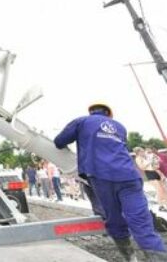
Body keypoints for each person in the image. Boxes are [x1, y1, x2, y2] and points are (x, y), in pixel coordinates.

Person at [54, 102, 167, 261]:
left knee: (114, 220)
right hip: (130, 177)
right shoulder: (120, 127)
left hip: (102, 177)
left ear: (91, 112)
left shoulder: (81, 122)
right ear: (109, 114)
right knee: (141, 223)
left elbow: (59, 141)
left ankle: (129, 257)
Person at [134, 146, 167, 212]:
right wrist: (149, 161)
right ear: (138, 152)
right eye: (142, 151)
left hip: (155, 171)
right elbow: (142, 167)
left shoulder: (146, 156)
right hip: (149, 173)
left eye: (143, 151)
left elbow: (155, 164)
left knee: (163, 189)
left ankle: (165, 204)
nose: (143, 152)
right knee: (159, 189)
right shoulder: (138, 158)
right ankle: (161, 205)